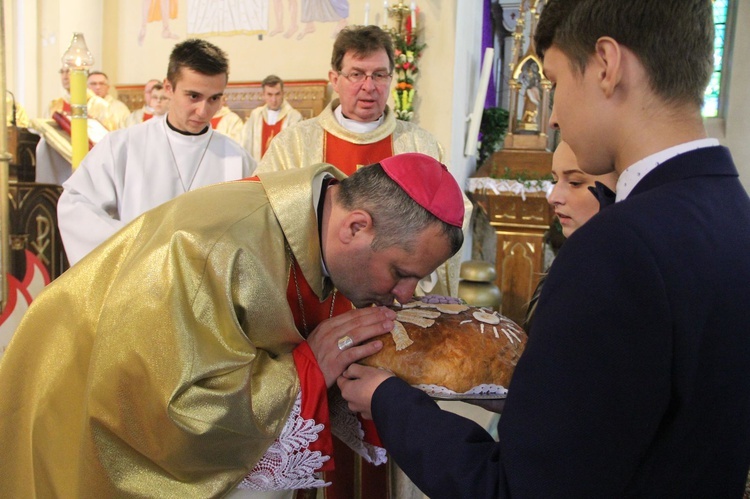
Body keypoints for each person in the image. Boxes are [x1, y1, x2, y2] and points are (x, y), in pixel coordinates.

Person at [338, 1, 750, 497]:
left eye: (553, 82)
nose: (550, 116)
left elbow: (519, 489)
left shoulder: (614, 249)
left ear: (606, 64)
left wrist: (388, 400)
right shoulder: (735, 216)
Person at [0, 153, 464, 498]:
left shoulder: (317, 218)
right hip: (72, 392)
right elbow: (174, 413)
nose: (405, 294)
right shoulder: (214, 251)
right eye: (402, 273)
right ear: (356, 227)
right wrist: (301, 373)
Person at [258, 25, 472, 299]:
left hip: (394, 301)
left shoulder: (420, 145)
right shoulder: (294, 144)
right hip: (314, 299)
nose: (369, 86)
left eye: (379, 75)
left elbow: (453, 217)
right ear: (335, 79)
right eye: (357, 74)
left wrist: (406, 272)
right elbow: (264, 216)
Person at [57, 39, 255, 266]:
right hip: (139, 279)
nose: (203, 110)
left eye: (214, 99)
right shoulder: (123, 146)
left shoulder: (237, 159)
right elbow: (75, 205)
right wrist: (134, 243)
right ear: (169, 88)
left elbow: (252, 234)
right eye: (193, 96)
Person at [523, 140, 618, 331]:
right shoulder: (570, 261)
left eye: (575, 182)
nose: (553, 198)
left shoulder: (613, 280)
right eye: (554, 180)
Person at [241, 74, 303, 160]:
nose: (274, 100)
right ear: (263, 95)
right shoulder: (256, 115)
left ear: (283, 94)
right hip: (258, 168)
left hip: (282, 171)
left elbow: (297, 150)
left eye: (277, 94)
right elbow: (245, 144)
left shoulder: (294, 117)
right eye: (269, 94)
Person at [48, 65, 113, 129]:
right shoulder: (55, 104)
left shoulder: (99, 105)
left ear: (83, 76)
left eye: (69, 72)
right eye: (62, 72)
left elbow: (107, 134)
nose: (65, 77)